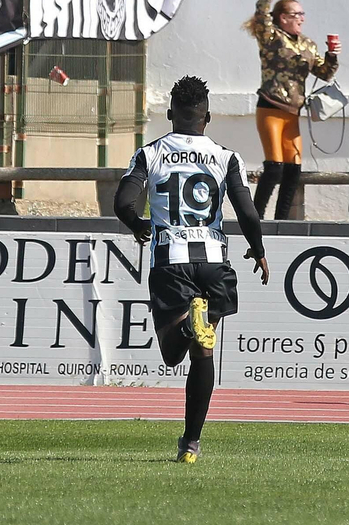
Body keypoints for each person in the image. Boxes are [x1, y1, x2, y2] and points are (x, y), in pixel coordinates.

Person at [114, 75, 271, 463]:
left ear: (169, 115)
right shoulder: (226, 156)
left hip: (172, 257)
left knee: (172, 352)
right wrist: (259, 249)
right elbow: (247, 212)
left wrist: (139, 226)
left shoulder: (150, 153)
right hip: (214, 261)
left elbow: (122, 203)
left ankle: (187, 324)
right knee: (203, 353)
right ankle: (191, 444)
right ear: (209, 117)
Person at [242, 0, 339, 220]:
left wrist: (332, 55)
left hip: (293, 112)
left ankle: (282, 220)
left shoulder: (308, 43)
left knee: (293, 169)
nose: (301, 19)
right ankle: (255, 215)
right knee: (273, 166)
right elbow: (261, 15)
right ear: (283, 18)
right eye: (296, 14)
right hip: (271, 106)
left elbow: (325, 73)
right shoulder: (271, 36)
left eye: (302, 14)